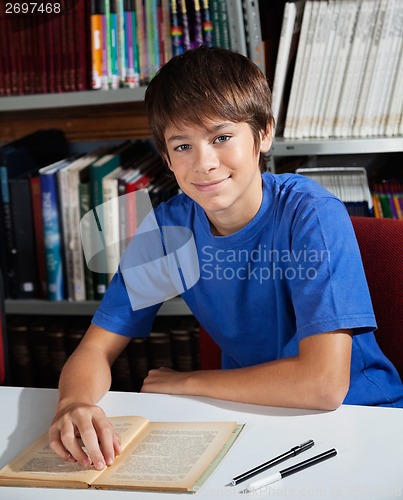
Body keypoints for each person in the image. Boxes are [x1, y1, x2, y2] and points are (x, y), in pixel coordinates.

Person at [49, 46, 403, 471]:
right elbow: (96, 349)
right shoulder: (168, 230)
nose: (205, 164)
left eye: (221, 137)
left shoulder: (310, 214)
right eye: (182, 145)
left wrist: (187, 382)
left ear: (263, 133)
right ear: (166, 157)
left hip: (359, 419)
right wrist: (73, 403)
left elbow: (324, 384)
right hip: (249, 415)